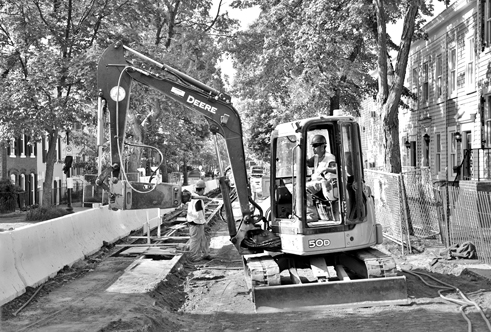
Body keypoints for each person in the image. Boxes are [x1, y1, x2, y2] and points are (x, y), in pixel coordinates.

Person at [186, 179, 213, 261]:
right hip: (196, 222)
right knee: (195, 240)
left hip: (196, 221)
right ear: (202, 189)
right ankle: (194, 256)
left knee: (202, 238)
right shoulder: (197, 199)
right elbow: (199, 213)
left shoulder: (193, 197)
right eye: (203, 189)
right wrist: (204, 223)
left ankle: (205, 254)